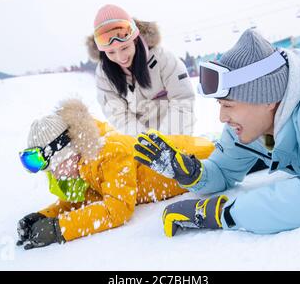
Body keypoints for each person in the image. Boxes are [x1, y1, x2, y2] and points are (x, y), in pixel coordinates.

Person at [134, 29, 300, 237]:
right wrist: (193, 174)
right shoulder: (252, 126)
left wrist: (221, 212)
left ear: (268, 99)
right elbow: (223, 171)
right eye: (221, 106)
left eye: (229, 105)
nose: (222, 117)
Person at [16, 98, 214, 250]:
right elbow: (87, 199)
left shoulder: (110, 153)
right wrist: (44, 216)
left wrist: (58, 229)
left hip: (203, 159)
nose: (55, 176)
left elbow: (117, 209)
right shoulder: (84, 164)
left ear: (68, 153)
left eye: (55, 169)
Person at [86, 4, 195, 136]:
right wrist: (145, 142)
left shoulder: (163, 59)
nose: (120, 58)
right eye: (111, 52)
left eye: (124, 48)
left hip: (176, 134)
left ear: (135, 40)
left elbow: (182, 100)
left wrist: (164, 142)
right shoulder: (104, 75)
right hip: (139, 141)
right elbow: (119, 115)